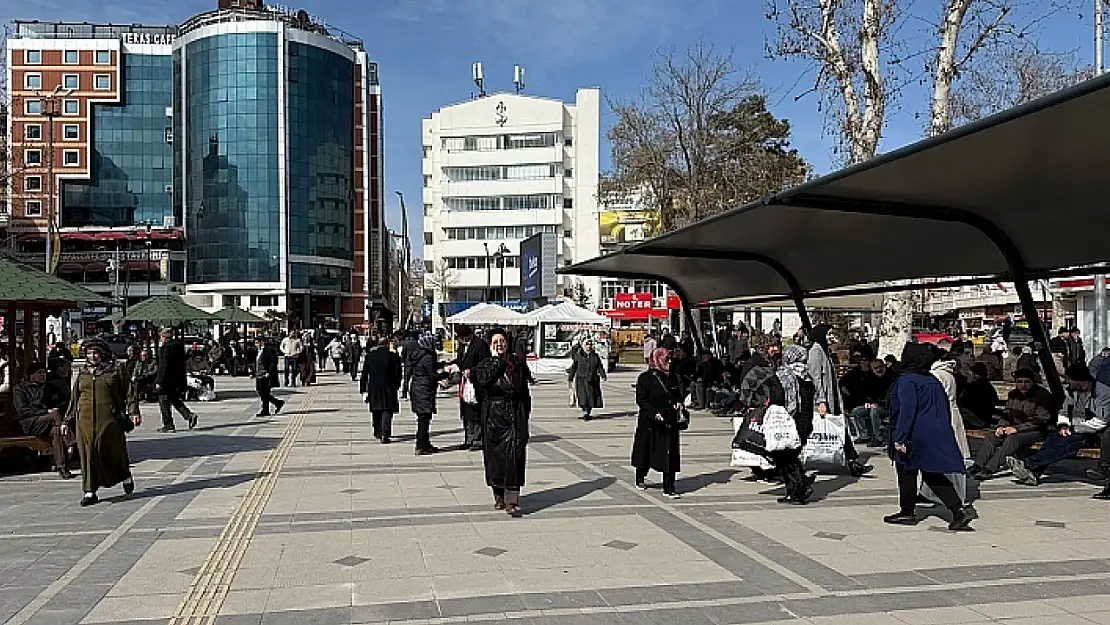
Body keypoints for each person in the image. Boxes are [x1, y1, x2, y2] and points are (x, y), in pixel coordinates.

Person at [884, 343, 974, 531]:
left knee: (906, 472)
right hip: (932, 432)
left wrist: (900, 437)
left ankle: (907, 511)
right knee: (933, 474)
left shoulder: (907, 380)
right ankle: (958, 510)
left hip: (913, 435)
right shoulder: (932, 380)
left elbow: (907, 410)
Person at [1007, 363, 1109, 486]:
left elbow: (1101, 421)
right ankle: (1033, 473)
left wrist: (1074, 429)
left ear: (1079, 380)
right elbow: (1064, 411)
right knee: (1051, 440)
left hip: (1092, 432)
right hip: (1073, 428)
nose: (1067, 383)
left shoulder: (1102, 393)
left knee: (1065, 445)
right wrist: (1063, 425)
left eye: (1069, 380)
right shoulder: (1072, 392)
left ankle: (1028, 464)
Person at [68, 338, 141, 506]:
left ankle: (125, 475)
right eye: (89, 353)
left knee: (112, 450)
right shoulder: (83, 372)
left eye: (95, 353)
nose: (92, 356)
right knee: (87, 453)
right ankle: (89, 491)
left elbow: (129, 392)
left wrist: (133, 412)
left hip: (109, 418)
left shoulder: (116, 369)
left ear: (103, 353)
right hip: (84, 420)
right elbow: (74, 397)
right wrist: (67, 420)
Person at [470, 327, 532, 516]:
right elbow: (483, 384)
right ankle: (498, 496)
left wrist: (524, 414)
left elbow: (524, 391)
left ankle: (511, 501)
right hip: (494, 417)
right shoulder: (485, 364)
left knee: (515, 458)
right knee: (495, 460)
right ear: (490, 345)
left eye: (502, 341)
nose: (500, 345)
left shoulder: (518, 364)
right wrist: (497, 361)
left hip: (515, 416)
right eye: (496, 342)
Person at [808, 324, 872, 477]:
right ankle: (852, 462)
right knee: (838, 429)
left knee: (840, 429)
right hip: (825, 400)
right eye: (828, 334)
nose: (831, 337)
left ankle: (852, 461)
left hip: (832, 399)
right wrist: (821, 401)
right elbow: (815, 378)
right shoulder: (816, 352)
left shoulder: (824, 351)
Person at [968, 368, 1053, 480]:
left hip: (1037, 430)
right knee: (993, 436)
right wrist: (1001, 426)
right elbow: (1007, 413)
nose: (1023, 385)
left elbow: (1042, 419)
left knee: (1013, 439)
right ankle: (978, 465)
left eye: (1027, 382)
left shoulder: (1042, 396)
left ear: (1032, 382)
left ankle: (990, 468)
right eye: (1019, 382)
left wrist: (1017, 428)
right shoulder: (1013, 395)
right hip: (1015, 427)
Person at [632, 347, 684, 498]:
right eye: (666, 359)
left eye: (669, 359)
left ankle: (669, 487)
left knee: (670, 454)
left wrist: (678, 402)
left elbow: (678, 394)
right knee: (646, 452)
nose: (669, 362)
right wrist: (654, 413)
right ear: (657, 360)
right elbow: (641, 399)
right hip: (650, 422)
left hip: (669, 421)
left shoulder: (672, 377)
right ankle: (640, 476)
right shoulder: (645, 378)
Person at [767, 344, 815, 504]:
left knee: (785, 457)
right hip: (805, 421)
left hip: (789, 421)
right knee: (791, 455)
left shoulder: (784, 374)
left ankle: (798, 491)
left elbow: (779, 398)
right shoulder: (807, 375)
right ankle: (797, 488)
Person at [13, 362, 74, 479]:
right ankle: (70, 440)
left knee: (56, 431)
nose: (43, 375)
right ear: (31, 375)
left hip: (51, 422)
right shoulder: (20, 389)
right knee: (55, 415)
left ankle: (62, 468)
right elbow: (22, 410)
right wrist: (46, 411)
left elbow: (62, 403)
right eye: (39, 373)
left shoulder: (50, 388)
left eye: (44, 373)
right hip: (30, 422)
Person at [451, 324, 491, 450]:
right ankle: (468, 439)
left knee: (476, 412)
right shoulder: (462, 346)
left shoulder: (480, 345)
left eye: (461, 338)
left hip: (476, 384)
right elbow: (460, 360)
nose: (460, 341)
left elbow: (485, 364)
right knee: (466, 413)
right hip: (465, 383)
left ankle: (478, 440)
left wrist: (472, 371)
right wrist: (450, 365)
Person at [408, 334, 448, 455]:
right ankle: (421, 445)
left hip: (418, 388)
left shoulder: (421, 354)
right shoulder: (428, 357)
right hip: (423, 390)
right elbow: (433, 375)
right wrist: (446, 375)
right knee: (424, 419)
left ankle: (425, 443)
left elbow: (429, 367)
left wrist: (442, 364)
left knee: (423, 418)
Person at [155, 328, 198, 432]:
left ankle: (168, 424)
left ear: (164, 337)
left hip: (167, 380)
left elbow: (164, 366)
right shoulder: (179, 346)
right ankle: (188, 415)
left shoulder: (165, 348)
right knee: (173, 399)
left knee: (164, 401)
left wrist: (159, 381)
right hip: (177, 379)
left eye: (161, 337)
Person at [361, 337, 403, 444]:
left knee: (376, 410)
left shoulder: (370, 356)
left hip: (374, 388)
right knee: (387, 411)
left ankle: (377, 431)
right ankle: (385, 434)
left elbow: (364, 375)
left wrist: (363, 390)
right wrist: (396, 386)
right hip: (389, 387)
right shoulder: (393, 356)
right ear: (387, 345)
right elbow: (398, 374)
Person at [568, 339, 607, 420]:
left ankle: (588, 413)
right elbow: (574, 367)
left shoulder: (595, 356)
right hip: (581, 380)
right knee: (583, 397)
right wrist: (570, 377)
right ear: (584, 345)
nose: (588, 346)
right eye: (587, 345)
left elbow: (599, 366)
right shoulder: (579, 355)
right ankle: (585, 412)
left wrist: (603, 375)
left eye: (590, 345)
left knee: (591, 398)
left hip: (592, 380)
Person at [958, 362, 1000, 429]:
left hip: (977, 417)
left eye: (970, 373)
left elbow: (964, 403)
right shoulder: (988, 386)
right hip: (986, 416)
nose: (968, 375)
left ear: (974, 375)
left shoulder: (973, 387)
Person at [253, 337, 285, 417]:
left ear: (262, 342)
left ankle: (265, 410)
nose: (255, 344)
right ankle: (277, 402)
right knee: (261, 391)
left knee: (264, 392)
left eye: (257, 342)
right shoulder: (257, 351)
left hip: (265, 374)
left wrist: (269, 372)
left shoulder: (269, 350)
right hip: (258, 374)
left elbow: (274, 361)